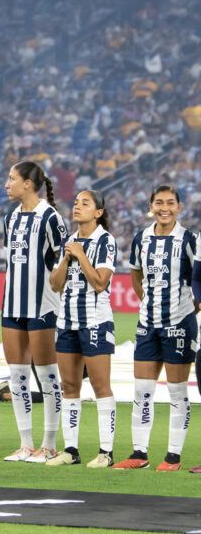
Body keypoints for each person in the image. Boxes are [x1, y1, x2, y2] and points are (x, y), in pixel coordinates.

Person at [114, 186, 198, 472]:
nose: (165, 208)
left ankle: (173, 457)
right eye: (159, 202)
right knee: (142, 391)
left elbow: (197, 280)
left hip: (179, 325)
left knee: (177, 392)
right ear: (151, 205)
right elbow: (136, 274)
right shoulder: (141, 239)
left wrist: (188, 308)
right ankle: (139, 454)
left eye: (170, 203)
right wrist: (149, 303)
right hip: (147, 325)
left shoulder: (189, 240)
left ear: (179, 207)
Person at [1, 162, 66, 462]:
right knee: (17, 377)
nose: (7, 184)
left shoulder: (50, 217)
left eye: (12, 179)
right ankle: (26, 444)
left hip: (41, 307)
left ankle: (49, 444)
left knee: (48, 377)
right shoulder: (10, 217)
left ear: (28, 184)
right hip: (11, 306)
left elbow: (62, 262)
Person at [47, 190, 117, 468]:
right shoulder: (68, 242)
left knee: (100, 385)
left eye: (85, 203)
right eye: (76, 202)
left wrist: (81, 255)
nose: (77, 207)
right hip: (66, 322)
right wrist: (67, 257)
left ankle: (106, 453)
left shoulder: (105, 240)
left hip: (96, 321)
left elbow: (100, 282)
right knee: (69, 386)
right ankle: (71, 450)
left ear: (98, 212)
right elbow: (55, 284)